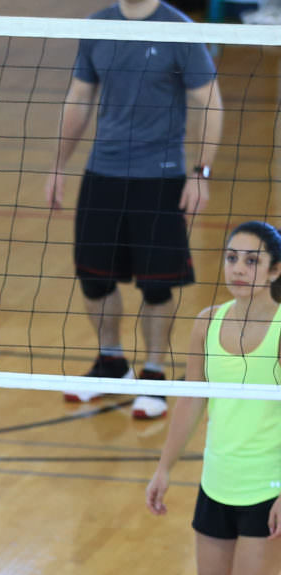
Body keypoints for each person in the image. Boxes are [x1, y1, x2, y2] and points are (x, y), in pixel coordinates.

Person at [46, 0, 224, 420]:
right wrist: (57, 163)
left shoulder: (178, 29)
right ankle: (112, 362)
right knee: (93, 277)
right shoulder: (99, 26)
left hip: (158, 179)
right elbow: (79, 98)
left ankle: (154, 374)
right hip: (102, 174)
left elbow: (210, 102)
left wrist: (201, 173)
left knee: (157, 285)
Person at [147, 221, 281, 575]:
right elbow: (190, 399)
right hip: (217, 482)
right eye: (232, 259)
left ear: (275, 270)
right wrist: (164, 467)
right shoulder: (207, 322)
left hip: (267, 487)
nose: (240, 270)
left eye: (252, 261)